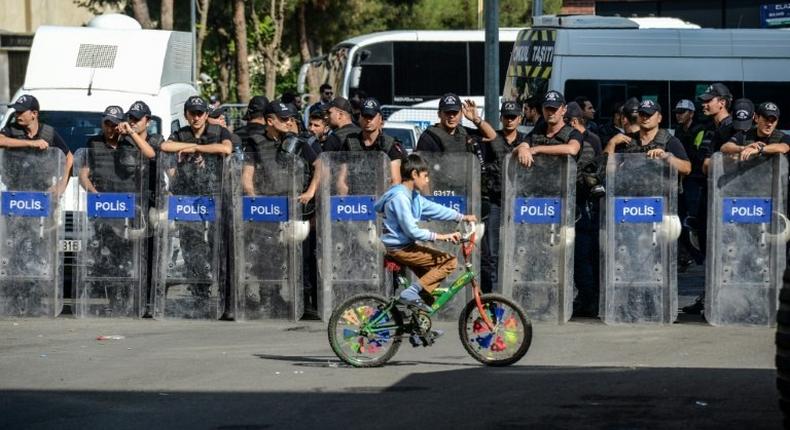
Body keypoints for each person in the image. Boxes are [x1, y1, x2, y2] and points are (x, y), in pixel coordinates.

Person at [374, 153, 477, 313]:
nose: (427, 180)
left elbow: (434, 209)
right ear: (414, 174)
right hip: (400, 249)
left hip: (405, 247)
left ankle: (419, 328)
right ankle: (410, 293)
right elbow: (412, 231)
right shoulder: (400, 197)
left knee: (428, 289)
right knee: (449, 262)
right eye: (425, 176)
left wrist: (461, 217)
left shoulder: (413, 196)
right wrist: (443, 237)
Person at [160, 96, 233, 312]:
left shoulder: (219, 132)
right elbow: (165, 146)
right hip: (188, 197)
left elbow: (227, 149)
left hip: (214, 196)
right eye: (192, 113)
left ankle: (222, 295)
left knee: (217, 245)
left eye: (200, 112)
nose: (197, 117)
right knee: (191, 246)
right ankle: (200, 293)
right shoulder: (181, 133)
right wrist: (192, 146)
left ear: (206, 114)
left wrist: (196, 150)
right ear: (186, 115)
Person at [683, 83, 735, 315]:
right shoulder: (709, 128)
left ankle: (727, 299)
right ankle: (709, 297)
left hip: (727, 198)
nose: (704, 104)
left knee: (727, 249)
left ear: (721, 102)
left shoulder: (733, 127)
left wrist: (715, 162)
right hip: (708, 195)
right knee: (707, 248)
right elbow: (704, 164)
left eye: (709, 100)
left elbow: (718, 163)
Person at [478, 101, 530, 294]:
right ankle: (493, 298)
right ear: (501, 118)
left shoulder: (526, 141)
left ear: (520, 119)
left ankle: (517, 294)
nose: (509, 120)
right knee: (493, 253)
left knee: (520, 250)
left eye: (513, 117)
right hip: (495, 202)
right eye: (506, 116)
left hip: (519, 203)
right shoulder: (491, 139)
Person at [122, 100, 164, 318]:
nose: (133, 123)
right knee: (129, 254)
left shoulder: (157, 139)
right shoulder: (124, 141)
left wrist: (132, 135)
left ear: (147, 121)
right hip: (130, 203)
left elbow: (151, 154)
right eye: (130, 119)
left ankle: (149, 301)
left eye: (137, 119)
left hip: (151, 202)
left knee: (150, 253)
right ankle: (129, 300)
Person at [565, 101, 603, 317]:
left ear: (572, 121)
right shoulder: (589, 138)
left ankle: (590, 299)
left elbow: (596, 169)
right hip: (572, 201)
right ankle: (586, 297)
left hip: (584, 203)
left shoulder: (590, 139)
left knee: (584, 254)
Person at [0, 94, 73, 193]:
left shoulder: (49, 132)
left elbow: (69, 157)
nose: (17, 115)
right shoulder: (11, 129)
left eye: (21, 112)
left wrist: (62, 184)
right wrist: (31, 143)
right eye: (16, 111)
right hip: (15, 192)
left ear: (34, 114)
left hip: (44, 192)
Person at [605, 100, 691, 175]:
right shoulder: (627, 140)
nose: (645, 118)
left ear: (659, 118)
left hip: (659, 192)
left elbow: (687, 168)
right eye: (642, 114)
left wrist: (665, 156)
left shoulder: (670, 141)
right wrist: (611, 144)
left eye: (649, 114)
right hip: (630, 192)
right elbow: (607, 172)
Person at [672, 99, 706, 270]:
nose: (679, 114)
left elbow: (696, 154)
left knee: (693, 219)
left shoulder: (699, 129)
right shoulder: (678, 130)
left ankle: (700, 256)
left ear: (691, 113)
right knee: (678, 219)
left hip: (694, 179)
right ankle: (688, 255)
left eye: (682, 111)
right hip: (682, 178)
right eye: (677, 111)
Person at [343, 97, 406, 183]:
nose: (368, 120)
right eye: (365, 116)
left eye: (371, 117)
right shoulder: (349, 143)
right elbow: (342, 180)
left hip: (383, 195)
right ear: (360, 118)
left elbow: (395, 181)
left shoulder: (390, 145)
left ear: (380, 118)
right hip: (355, 195)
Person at [515, 90, 582, 167]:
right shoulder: (538, 131)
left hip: (565, 178)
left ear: (564, 110)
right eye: (547, 108)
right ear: (542, 109)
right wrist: (522, 149)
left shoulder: (573, 133)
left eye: (554, 109)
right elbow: (523, 145)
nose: (550, 113)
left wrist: (536, 149)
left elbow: (572, 149)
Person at [416, 93, 496, 152]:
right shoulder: (428, 138)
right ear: (439, 114)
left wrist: (476, 119)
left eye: (455, 112)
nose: (451, 116)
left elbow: (492, 137)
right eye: (448, 112)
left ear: (461, 114)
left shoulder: (465, 133)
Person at [722, 100, 790, 159]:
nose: (769, 124)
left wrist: (759, 149)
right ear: (757, 118)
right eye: (766, 120)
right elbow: (725, 147)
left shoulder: (783, 137)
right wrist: (743, 148)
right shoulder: (746, 134)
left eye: (773, 121)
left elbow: (783, 147)